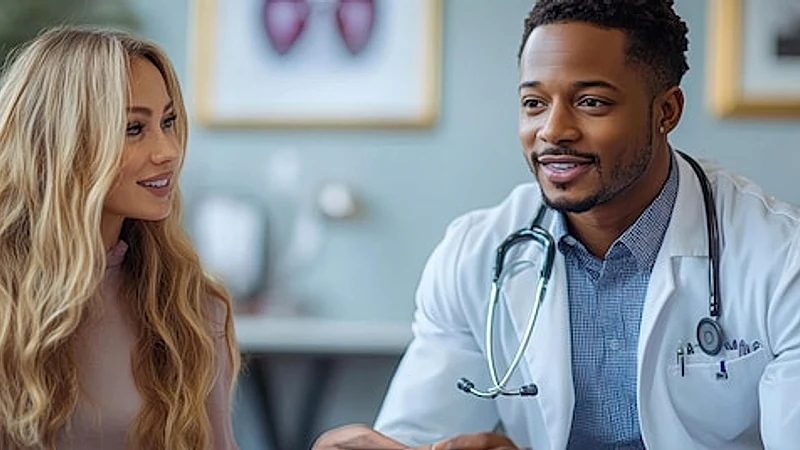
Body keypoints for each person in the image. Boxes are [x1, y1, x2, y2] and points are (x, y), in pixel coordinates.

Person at [313, 0, 800, 449]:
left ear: (666, 111)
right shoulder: (476, 254)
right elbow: (419, 433)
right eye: (534, 103)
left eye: (591, 102)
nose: (553, 131)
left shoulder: (780, 258)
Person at [0, 26, 240, 449]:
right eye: (134, 128)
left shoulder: (190, 308)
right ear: (64, 141)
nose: (167, 150)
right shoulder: (9, 301)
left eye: (168, 122)